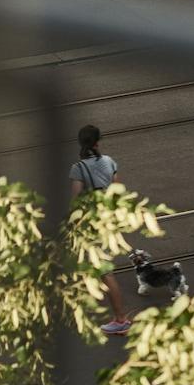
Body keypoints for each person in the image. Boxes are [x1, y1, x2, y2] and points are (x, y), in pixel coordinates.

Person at [70, 124, 131, 334]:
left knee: (105, 272)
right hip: (108, 222)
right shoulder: (109, 161)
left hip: (93, 224)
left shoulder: (78, 168)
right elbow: (118, 192)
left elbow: (77, 200)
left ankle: (121, 320)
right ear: (98, 142)